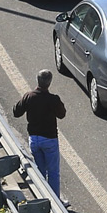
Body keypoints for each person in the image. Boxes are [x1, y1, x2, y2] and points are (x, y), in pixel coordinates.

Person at [13, 69, 68, 204]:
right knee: (53, 172)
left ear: (37, 80)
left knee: (40, 171)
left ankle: (42, 200)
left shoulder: (29, 96)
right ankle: (55, 202)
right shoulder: (53, 99)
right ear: (49, 83)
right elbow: (62, 114)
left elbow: (16, 112)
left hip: (34, 140)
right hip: (49, 139)